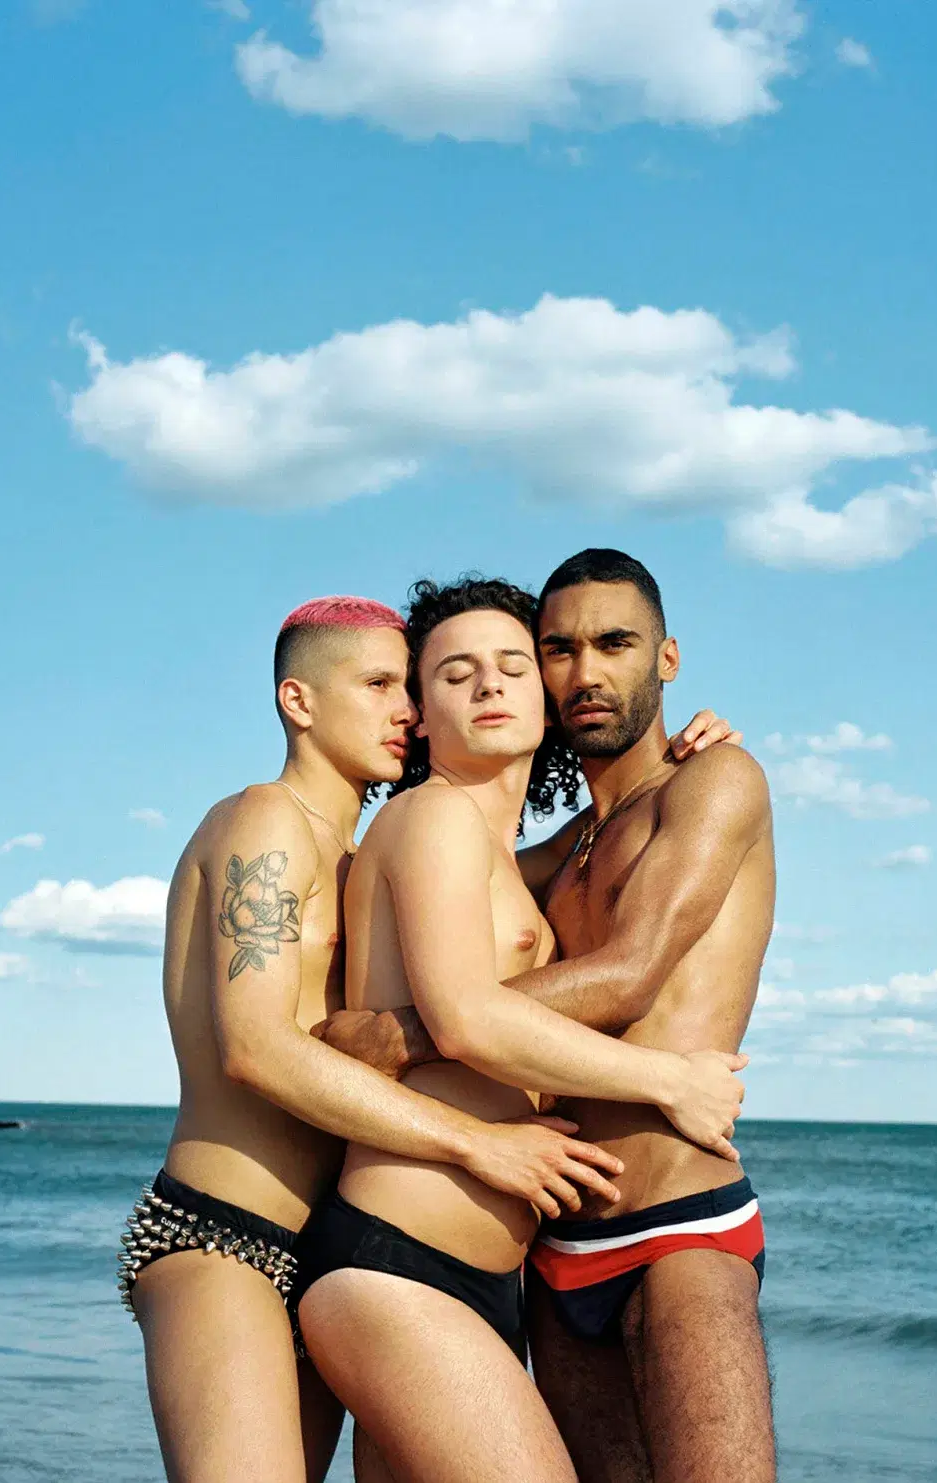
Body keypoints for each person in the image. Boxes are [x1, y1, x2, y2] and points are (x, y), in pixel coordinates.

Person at [118, 595, 634, 1483]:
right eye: (380, 684)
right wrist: (478, 1143)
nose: (405, 709)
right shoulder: (264, 822)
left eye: (408, 686)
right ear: (299, 702)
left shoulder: (364, 852)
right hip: (226, 1233)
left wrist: (663, 769)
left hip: (329, 1237)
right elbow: (258, 1046)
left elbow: (531, 859)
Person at [324, 550, 776, 1483]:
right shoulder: (557, 849)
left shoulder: (715, 781)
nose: (586, 672)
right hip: (554, 1245)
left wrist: (403, 1035)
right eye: (559, 649)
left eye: (616, 644)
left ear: (668, 658)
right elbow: (440, 911)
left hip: (675, 1220)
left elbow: (630, 973)